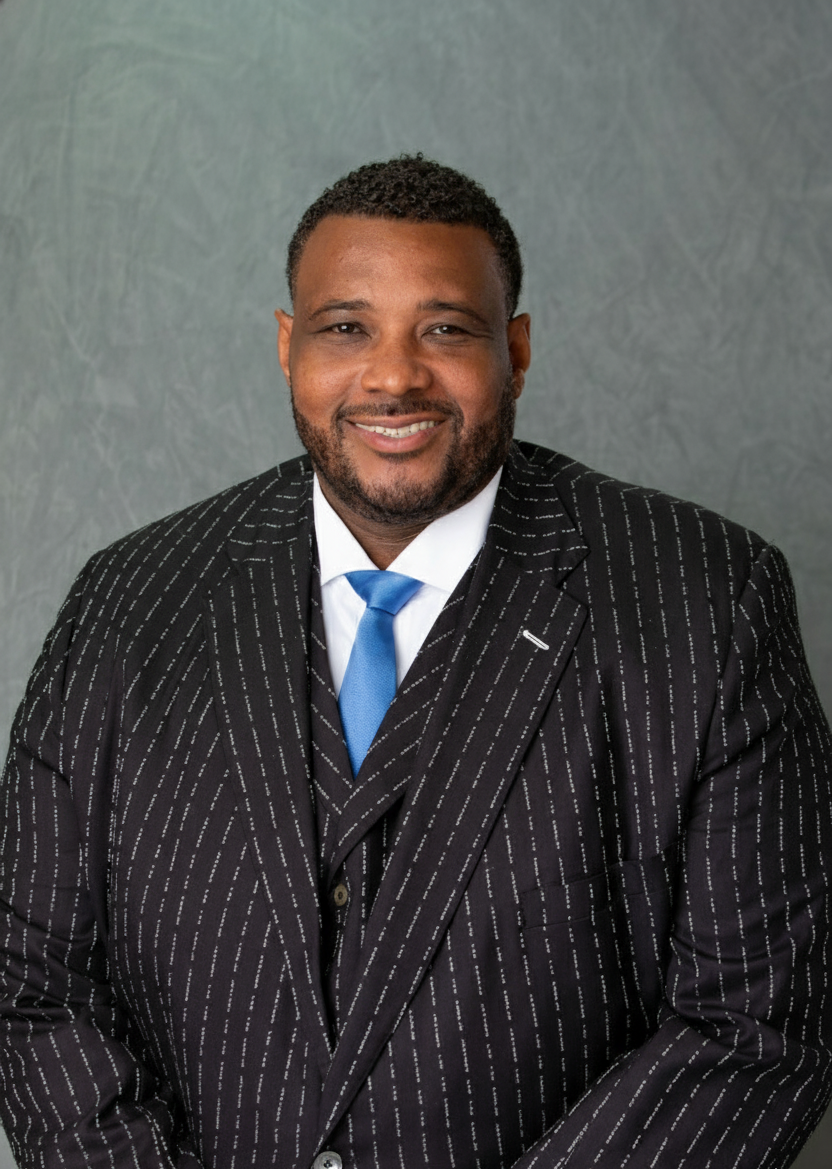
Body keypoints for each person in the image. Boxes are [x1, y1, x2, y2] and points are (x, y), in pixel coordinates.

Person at [1, 154, 831, 1169]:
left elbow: (759, 1018)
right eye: (345, 326)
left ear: (515, 349)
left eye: (444, 327)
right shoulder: (129, 600)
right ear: (285, 344)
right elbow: (29, 975)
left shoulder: (704, 596)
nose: (393, 373)